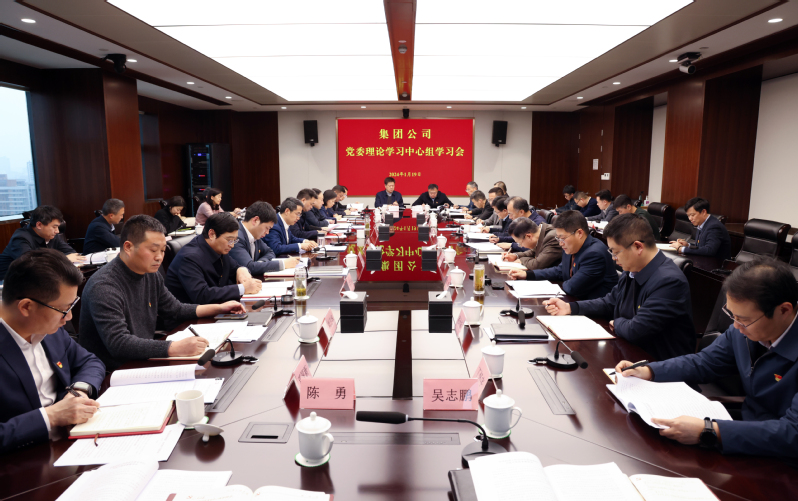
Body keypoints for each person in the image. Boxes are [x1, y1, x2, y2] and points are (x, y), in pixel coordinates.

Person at [615, 257, 798, 459]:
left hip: (782, 456)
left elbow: (793, 433)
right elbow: (704, 362)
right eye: (732, 316)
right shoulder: (743, 331)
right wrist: (650, 371)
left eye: (744, 320)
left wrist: (711, 431)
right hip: (745, 433)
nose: (736, 326)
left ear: (784, 310)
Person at [79, 215, 246, 371]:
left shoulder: (150, 274)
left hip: (143, 360)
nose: (159, 257)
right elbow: (119, 343)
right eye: (153, 250)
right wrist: (174, 347)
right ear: (128, 247)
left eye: (163, 250)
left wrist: (219, 308)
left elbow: (176, 309)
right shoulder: (104, 286)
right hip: (114, 372)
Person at [545, 214, 696, 360]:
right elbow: (610, 302)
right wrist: (570, 307)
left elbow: (636, 330)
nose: (613, 258)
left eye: (616, 252)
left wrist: (617, 322)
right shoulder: (633, 269)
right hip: (629, 353)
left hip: (657, 364)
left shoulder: (669, 281)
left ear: (638, 247)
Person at [0, 249, 105, 453]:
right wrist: (51, 416)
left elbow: (89, 362)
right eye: (64, 309)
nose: (69, 317)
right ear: (26, 307)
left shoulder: (48, 328)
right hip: (22, 458)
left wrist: (78, 392)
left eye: (72, 305)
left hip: (69, 441)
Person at [509, 210, 618, 300]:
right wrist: (528, 275)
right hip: (574, 301)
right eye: (558, 238)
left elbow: (572, 287)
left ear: (579, 233)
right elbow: (559, 271)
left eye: (562, 238)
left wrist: (557, 285)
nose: (560, 243)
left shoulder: (594, 254)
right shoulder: (572, 247)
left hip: (593, 312)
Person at [166, 213, 262, 304]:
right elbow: (201, 295)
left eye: (234, 240)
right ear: (212, 234)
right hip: (190, 314)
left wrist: (241, 270)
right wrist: (242, 288)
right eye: (229, 240)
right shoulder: (189, 257)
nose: (232, 245)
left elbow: (234, 267)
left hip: (217, 307)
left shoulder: (218, 248)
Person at [0, 205, 85, 280]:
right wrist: (64, 259)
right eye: (54, 227)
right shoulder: (20, 238)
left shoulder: (51, 235)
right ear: (39, 225)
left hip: (36, 279)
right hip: (9, 283)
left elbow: (71, 253)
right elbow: (31, 264)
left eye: (58, 227)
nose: (57, 231)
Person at [230, 201, 300, 275]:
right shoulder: (236, 237)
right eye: (267, 228)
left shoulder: (255, 234)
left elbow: (270, 252)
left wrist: (260, 263)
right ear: (255, 220)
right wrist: (283, 264)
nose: (267, 232)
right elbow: (249, 267)